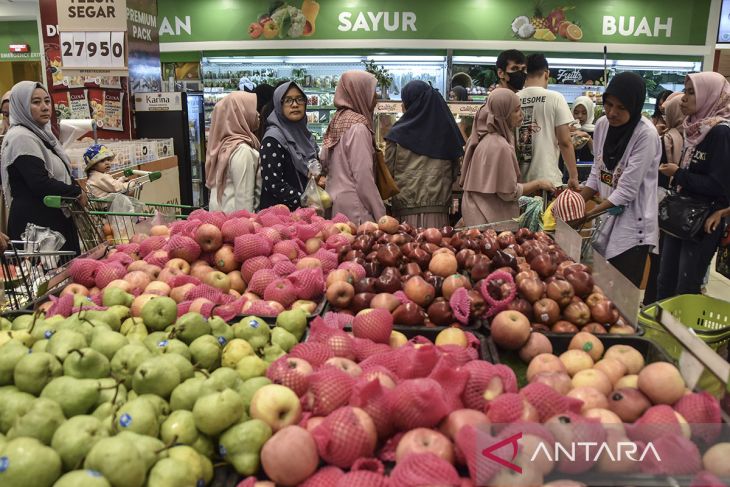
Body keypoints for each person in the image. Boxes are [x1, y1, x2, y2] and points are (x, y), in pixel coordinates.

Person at [580, 73, 661, 288]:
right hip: (606, 217)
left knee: (622, 294)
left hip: (633, 226)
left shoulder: (646, 135)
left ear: (634, 107)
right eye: (608, 104)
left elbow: (626, 191)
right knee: (601, 289)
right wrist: (574, 202)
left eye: (621, 108)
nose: (612, 113)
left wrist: (586, 215)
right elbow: (597, 172)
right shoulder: (602, 125)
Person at [656, 72, 730, 299]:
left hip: (704, 220)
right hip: (682, 215)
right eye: (685, 91)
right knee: (665, 280)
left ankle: (683, 333)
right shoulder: (694, 129)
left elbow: (719, 185)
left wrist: (678, 174)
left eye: (691, 92)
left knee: (685, 287)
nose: (683, 99)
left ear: (710, 96)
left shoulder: (720, 132)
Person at [0, 81, 85, 254]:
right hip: (37, 229)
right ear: (21, 106)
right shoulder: (21, 138)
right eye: (36, 102)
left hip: (49, 223)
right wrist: (75, 192)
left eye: (47, 101)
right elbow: (40, 183)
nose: (45, 107)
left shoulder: (40, 133)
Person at [459, 88, 554, 226]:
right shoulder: (501, 146)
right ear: (503, 114)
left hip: (476, 218)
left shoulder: (483, 139)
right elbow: (509, 193)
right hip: (491, 223)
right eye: (515, 110)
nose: (521, 115)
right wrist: (538, 184)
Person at [384, 80, 465, 228]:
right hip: (438, 212)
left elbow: (387, 174)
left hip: (405, 212)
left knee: (408, 250)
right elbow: (455, 172)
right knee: (436, 249)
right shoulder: (446, 133)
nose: (402, 106)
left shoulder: (396, 134)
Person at [321, 70, 385, 224]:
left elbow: (323, 159)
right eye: (372, 91)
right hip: (356, 209)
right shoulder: (358, 127)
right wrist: (381, 214)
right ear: (359, 92)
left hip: (334, 203)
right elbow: (363, 177)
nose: (375, 97)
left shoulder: (337, 119)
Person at [516, 54, 580, 191]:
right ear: (546, 74)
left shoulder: (514, 98)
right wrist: (573, 176)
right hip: (548, 180)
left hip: (519, 183)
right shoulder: (555, 98)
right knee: (546, 213)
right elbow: (565, 141)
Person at [644, 93, 684, 304]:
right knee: (668, 263)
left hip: (661, 206)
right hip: (676, 209)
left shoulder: (666, 139)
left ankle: (652, 302)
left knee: (658, 261)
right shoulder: (689, 136)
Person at [258, 81, 319, 211]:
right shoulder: (272, 139)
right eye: (288, 100)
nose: (295, 105)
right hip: (278, 217)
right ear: (279, 105)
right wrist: (304, 200)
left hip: (304, 213)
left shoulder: (305, 136)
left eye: (299, 99)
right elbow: (273, 183)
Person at [205, 91, 261, 213]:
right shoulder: (242, 151)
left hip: (220, 219)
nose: (258, 114)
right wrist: (246, 227)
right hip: (235, 223)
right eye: (252, 110)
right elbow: (244, 201)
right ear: (240, 115)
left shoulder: (222, 147)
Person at [571, 96, 596, 162]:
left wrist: (588, 138)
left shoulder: (596, 131)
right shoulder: (568, 129)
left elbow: (599, 155)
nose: (580, 116)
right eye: (576, 113)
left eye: (584, 113)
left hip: (589, 169)